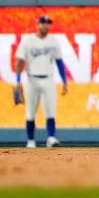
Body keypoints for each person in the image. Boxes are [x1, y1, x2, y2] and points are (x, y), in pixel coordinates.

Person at [13, 15, 67, 148]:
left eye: (48, 23)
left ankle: (51, 138)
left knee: (50, 111)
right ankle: (30, 141)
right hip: (31, 79)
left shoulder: (53, 41)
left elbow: (59, 62)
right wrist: (18, 80)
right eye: (43, 23)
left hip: (48, 78)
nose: (45, 25)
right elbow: (20, 61)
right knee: (30, 112)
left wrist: (65, 81)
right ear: (37, 25)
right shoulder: (28, 40)